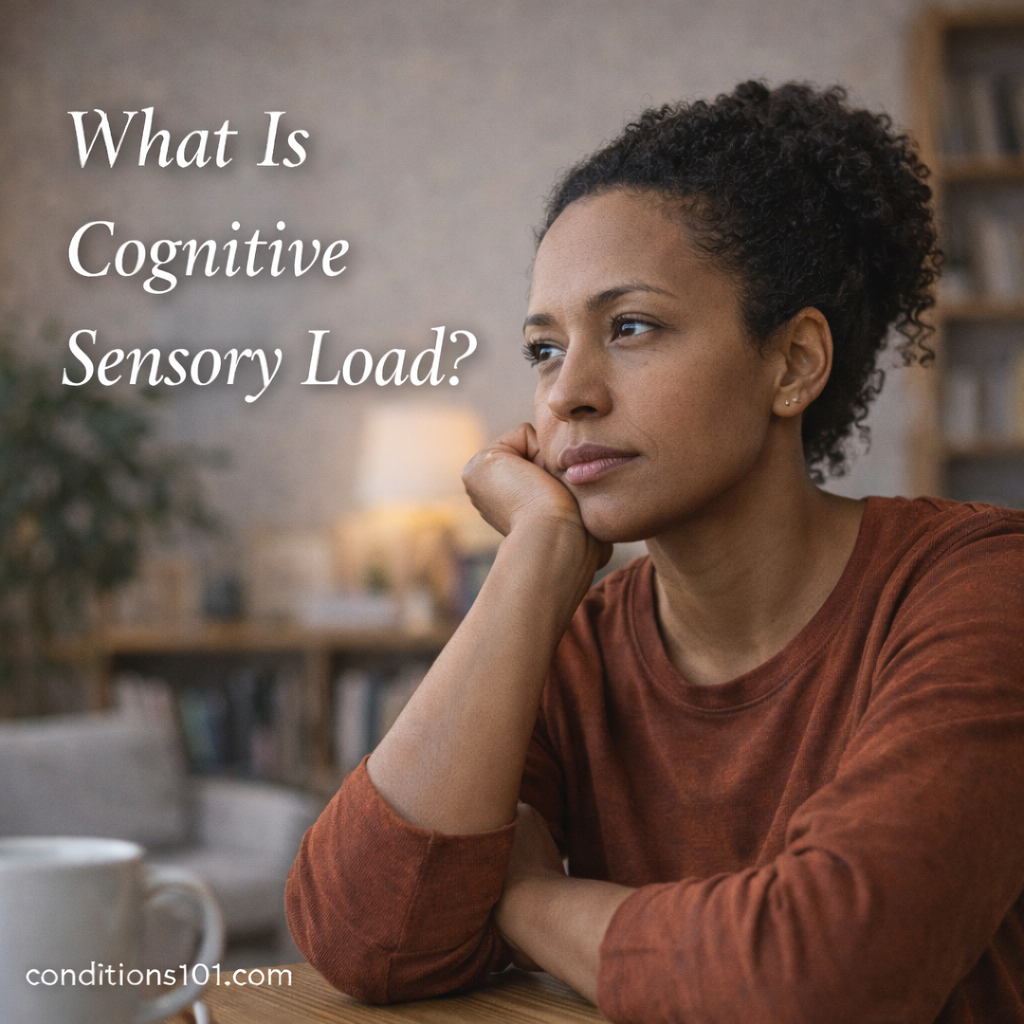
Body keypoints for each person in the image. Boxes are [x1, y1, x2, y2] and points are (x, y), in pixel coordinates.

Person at [285, 81, 1024, 1023]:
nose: (568, 395)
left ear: (792, 364)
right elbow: (365, 938)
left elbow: (826, 978)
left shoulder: (981, 590)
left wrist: (522, 895)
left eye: (630, 327)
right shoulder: (575, 644)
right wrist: (533, 561)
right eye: (545, 349)